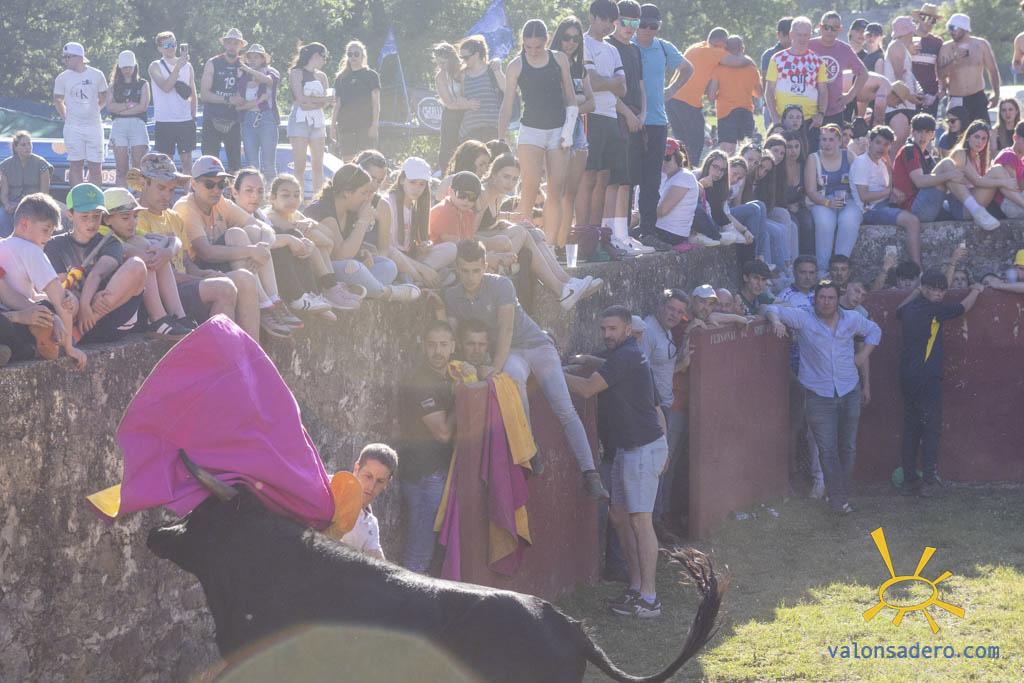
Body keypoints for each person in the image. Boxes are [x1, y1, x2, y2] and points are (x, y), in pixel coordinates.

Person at [438, 240, 610, 499]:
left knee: (564, 407)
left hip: (536, 345)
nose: (470, 277)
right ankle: (530, 447)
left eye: (475, 270)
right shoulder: (452, 295)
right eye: (464, 271)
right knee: (514, 380)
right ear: (457, 268)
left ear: (484, 266)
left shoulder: (501, 285)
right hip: (512, 353)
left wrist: (494, 368)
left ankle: (590, 473)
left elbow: (506, 328)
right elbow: (452, 335)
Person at [564, 305, 667, 618]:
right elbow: (609, 366)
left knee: (640, 521)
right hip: (627, 449)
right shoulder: (626, 354)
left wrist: (550, 371)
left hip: (642, 448)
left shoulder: (627, 355)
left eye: (613, 329)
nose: (607, 334)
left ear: (627, 329)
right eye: (603, 329)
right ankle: (636, 588)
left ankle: (649, 599)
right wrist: (588, 360)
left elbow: (587, 389)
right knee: (620, 516)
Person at [765, 281, 881, 513]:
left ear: (837, 299)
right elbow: (770, 308)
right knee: (827, 448)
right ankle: (839, 499)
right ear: (815, 299)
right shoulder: (803, 318)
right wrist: (776, 321)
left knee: (847, 446)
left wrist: (862, 357)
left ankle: (840, 493)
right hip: (818, 395)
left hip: (848, 390)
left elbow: (875, 331)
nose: (826, 302)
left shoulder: (851, 318)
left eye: (830, 298)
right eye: (822, 297)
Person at [131, 152, 260, 340]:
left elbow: (185, 262)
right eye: (161, 188)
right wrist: (199, 278)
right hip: (162, 297)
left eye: (171, 190)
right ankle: (222, 354)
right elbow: (158, 273)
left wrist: (204, 273)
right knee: (224, 288)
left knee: (244, 278)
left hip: (184, 285)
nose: (167, 195)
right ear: (144, 184)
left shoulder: (173, 217)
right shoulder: (135, 218)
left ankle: (251, 351)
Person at [174, 155, 298, 338]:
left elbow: (264, 228)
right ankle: (265, 306)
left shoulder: (220, 202)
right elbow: (205, 252)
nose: (216, 190)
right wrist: (251, 251)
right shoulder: (186, 207)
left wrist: (262, 247)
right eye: (209, 184)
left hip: (221, 263)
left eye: (221, 184)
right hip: (200, 269)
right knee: (236, 234)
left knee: (253, 232)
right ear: (193, 184)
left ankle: (273, 300)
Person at [896, 268, 984, 497]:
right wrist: (976, 290)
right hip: (927, 377)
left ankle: (909, 479)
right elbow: (963, 307)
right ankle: (928, 480)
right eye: (934, 289)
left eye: (942, 290)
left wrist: (917, 291)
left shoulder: (909, 308)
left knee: (911, 429)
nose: (939, 294)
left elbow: (898, 310)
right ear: (925, 289)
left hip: (908, 377)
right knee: (931, 428)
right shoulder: (935, 309)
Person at [499, 20, 577, 245]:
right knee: (529, 187)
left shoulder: (559, 59)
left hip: (559, 130)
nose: (533, 51)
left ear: (546, 40)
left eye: (538, 46)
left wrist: (568, 131)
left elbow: (571, 97)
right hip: (531, 130)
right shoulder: (516, 65)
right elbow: (507, 105)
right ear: (522, 43)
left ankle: (549, 247)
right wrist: (501, 138)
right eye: (528, 47)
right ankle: (519, 244)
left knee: (555, 190)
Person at [240, 171, 357, 317]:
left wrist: (311, 223)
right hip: (282, 269)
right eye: (285, 195)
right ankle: (327, 287)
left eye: (296, 195)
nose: (292, 200)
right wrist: (316, 239)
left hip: (300, 263)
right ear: (272, 198)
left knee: (312, 244)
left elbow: (329, 237)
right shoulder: (271, 215)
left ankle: (326, 290)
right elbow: (325, 241)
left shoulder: (294, 215)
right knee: (308, 242)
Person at [44, 183, 146, 345]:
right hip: (74, 315)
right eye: (85, 216)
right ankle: (73, 331)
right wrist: (85, 301)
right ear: (70, 214)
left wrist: (87, 304)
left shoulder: (111, 242)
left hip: (110, 315)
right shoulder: (54, 245)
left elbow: (97, 273)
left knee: (137, 265)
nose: (91, 222)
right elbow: (63, 286)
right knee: (65, 297)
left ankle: (79, 332)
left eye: (96, 216)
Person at [302, 164, 412, 301]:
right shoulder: (322, 210)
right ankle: (386, 292)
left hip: (345, 270)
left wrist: (362, 253)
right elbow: (341, 256)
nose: (367, 198)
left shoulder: (350, 209)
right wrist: (363, 221)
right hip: (323, 271)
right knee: (354, 267)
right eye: (363, 193)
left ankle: (356, 289)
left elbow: (349, 249)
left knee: (388, 266)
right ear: (347, 192)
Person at [0, 194, 85, 368]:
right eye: (46, 230)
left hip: (11, 316)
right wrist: (70, 347)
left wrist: (48, 314)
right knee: (56, 305)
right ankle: (40, 345)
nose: (48, 238)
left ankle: (25, 349)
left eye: (51, 232)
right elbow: (59, 298)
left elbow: (10, 294)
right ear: (25, 224)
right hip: (13, 318)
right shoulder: (31, 250)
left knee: (47, 306)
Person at [399, 320, 458, 573]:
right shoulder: (422, 382)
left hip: (436, 473)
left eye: (443, 344)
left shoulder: (448, 377)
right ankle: (405, 597)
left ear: (453, 346)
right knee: (419, 553)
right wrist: (463, 399)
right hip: (424, 476)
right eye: (432, 345)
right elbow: (443, 433)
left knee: (429, 551)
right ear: (424, 346)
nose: (438, 351)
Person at [101, 187, 193, 339]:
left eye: (135, 216)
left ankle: (179, 316)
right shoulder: (102, 233)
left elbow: (174, 240)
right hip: (115, 308)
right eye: (125, 218)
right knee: (147, 249)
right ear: (107, 219)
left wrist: (167, 251)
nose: (132, 223)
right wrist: (160, 250)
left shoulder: (127, 230)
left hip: (134, 299)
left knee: (155, 250)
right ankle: (157, 319)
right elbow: (137, 254)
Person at [631, 4, 685, 240]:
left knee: (652, 180)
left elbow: (687, 68)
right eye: (642, 24)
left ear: (658, 26)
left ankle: (648, 230)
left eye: (652, 26)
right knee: (627, 179)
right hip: (631, 120)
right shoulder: (627, 45)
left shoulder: (663, 47)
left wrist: (671, 90)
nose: (646, 30)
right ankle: (621, 230)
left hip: (657, 121)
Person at [604, 1, 652, 255]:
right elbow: (609, 90)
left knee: (629, 181)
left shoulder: (635, 50)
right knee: (615, 180)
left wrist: (642, 114)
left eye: (636, 22)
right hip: (615, 118)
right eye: (626, 21)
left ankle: (623, 235)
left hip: (635, 119)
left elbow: (641, 86)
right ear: (615, 20)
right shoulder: (608, 46)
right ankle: (610, 235)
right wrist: (627, 114)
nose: (630, 27)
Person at [668, 27, 754, 164]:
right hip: (688, 103)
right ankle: (691, 170)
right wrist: (749, 60)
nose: (726, 49)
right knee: (695, 142)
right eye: (726, 45)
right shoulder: (714, 52)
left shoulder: (696, 47)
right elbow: (739, 62)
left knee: (681, 142)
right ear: (721, 42)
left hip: (671, 100)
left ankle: (678, 168)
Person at [776, 255, 825, 497]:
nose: (807, 277)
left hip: (818, 367)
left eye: (811, 272)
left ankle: (818, 477)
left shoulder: (823, 296)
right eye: (803, 272)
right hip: (795, 367)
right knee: (794, 424)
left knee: (817, 425)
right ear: (795, 273)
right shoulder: (785, 296)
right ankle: (791, 474)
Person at [575, 1, 625, 234]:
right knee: (588, 177)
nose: (608, 25)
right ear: (592, 17)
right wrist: (611, 82)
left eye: (612, 21)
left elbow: (623, 88)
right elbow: (592, 82)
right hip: (590, 115)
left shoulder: (613, 50)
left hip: (611, 117)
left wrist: (606, 82)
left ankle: (595, 234)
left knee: (603, 178)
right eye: (603, 19)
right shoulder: (582, 43)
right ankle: (581, 231)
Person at [551, 16, 596, 248]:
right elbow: (556, 101)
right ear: (559, 38)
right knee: (555, 193)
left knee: (570, 194)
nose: (570, 43)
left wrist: (573, 102)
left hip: (578, 134)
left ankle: (561, 244)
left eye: (575, 39)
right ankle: (550, 243)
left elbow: (592, 103)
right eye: (566, 37)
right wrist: (577, 100)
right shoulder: (549, 65)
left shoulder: (581, 69)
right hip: (554, 131)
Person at [379, 157, 457, 288]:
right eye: (413, 182)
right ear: (402, 180)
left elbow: (409, 248)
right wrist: (423, 269)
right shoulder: (387, 202)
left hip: (410, 260)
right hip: (392, 258)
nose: (417, 188)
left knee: (451, 248)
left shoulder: (416, 207)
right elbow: (388, 249)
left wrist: (423, 248)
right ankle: (422, 279)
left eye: (422, 184)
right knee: (394, 256)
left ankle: (416, 278)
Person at [850, 126, 922, 265]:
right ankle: (917, 266)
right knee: (912, 221)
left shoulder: (882, 162)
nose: (881, 148)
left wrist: (893, 193)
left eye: (886, 144)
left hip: (885, 203)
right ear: (870, 142)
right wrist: (890, 192)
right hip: (871, 209)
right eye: (878, 142)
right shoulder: (861, 162)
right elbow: (864, 196)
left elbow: (889, 186)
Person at [805, 124, 862, 277]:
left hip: (848, 199)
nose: (827, 144)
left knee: (849, 221)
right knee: (825, 223)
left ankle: (840, 268)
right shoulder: (813, 158)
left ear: (839, 141)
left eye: (831, 140)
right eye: (823, 140)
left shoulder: (849, 156)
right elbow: (810, 191)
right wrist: (827, 203)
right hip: (822, 200)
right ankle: (823, 270)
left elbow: (860, 180)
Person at [53, 42, 108, 187]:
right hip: (73, 127)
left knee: (95, 166)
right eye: (64, 57)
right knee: (75, 164)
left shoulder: (97, 74)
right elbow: (58, 99)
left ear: (79, 57)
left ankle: (94, 198)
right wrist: (66, 117)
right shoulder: (62, 77)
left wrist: (94, 110)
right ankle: (77, 198)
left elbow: (104, 97)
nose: (65, 60)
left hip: (94, 126)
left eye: (68, 57)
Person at [945, 120, 1018, 229]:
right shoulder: (960, 153)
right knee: (997, 170)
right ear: (968, 137)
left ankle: (1017, 205)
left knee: (999, 170)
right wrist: (1004, 182)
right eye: (977, 137)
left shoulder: (979, 158)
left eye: (984, 139)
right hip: (962, 207)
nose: (980, 142)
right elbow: (977, 181)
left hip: (976, 206)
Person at [937, 14, 1000, 128]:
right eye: (949, 28)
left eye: (953, 28)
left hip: (977, 97)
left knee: (982, 131)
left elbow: (993, 70)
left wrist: (996, 93)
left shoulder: (981, 45)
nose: (950, 32)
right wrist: (954, 61)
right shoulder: (946, 48)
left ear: (964, 28)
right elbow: (940, 75)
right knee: (956, 135)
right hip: (956, 98)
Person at [765, 17, 829, 129]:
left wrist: (821, 114)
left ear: (810, 36)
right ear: (791, 35)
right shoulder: (777, 59)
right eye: (799, 34)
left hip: (809, 120)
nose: (802, 38)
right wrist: (775, 117)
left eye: (805, 35)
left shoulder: (818, 61)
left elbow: (823, 91)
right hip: (784, 119)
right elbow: (769, 91)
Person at [286, 42, 332, 195]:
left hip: (318, 121)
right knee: (299, 166)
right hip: (299, 120)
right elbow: (300, 98)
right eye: (324, 57)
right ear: (316, 55)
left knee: (318, 165)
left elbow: (328, 101)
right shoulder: (296, 72)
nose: (325, 60)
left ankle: (318, 199)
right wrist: (319, 101)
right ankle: (297, 200)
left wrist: (312, 103)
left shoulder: (322, 76)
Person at [148, 31, 197, 173]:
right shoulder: (155, 66)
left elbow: (192, 93)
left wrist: (193, 115)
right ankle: (166, 187)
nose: (171, 48)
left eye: (173, 44)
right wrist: (178, 67)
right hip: (165, 120)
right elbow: (166, 87)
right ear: (159, 48)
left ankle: (188, 187)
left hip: (185, 120)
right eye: (167, 45)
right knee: (165, 163)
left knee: (187, 161)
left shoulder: (188, 66)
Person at [808, 11, 868, 127]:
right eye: (826, 27)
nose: (830, 31)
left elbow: (863, 73)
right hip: (810, 110)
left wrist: (850, 96)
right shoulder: (808, 45)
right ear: (820, 27)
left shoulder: (844, 49)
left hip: (835, 110)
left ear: (840, 29)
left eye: (834, 28)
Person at [340, 443, 398, 560]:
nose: (371, 487)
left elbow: (378, 563)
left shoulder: (370, 525)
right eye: (368, 476)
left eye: (380, 481)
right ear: (356, 469)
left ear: (387, 483)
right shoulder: (326, 489)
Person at [200, 29, 248, 171]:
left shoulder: (245, 65)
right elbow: (205, 95)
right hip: (212, 118)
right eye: (229, 42)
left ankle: (234, 187)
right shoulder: (213, 62)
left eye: (236, 43)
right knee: (208, 164)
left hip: (234, 121)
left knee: (235, 166)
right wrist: (229, 99)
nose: (232, 46)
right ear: (224, 44)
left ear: (241, 46)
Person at [707, 36, 761, 155]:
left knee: (727, 153)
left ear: (726, 49)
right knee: (746, 151)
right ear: (742, 48)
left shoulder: (719, 68)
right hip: (746, 112)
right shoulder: (752, 68)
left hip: (725, 113)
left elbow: (711, 96)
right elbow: (759, 93)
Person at [235, 44, 280, 181]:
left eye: (256, 57)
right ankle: (255, 193)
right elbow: (239, 106)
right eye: (250, 57)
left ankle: (270, 193)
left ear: (263, 59)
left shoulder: (271, 71)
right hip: (248, 120)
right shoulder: (243, 77)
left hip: (267, 118)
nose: (253, 60)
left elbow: (268, 81)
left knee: (269, 165)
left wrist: (248, 69)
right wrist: (259, 101)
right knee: (252, 166)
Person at [332, 40, 381, 161]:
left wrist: (374, 125)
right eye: (350, 54)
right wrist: (332, 126)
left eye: (356, 54)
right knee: (348, 162)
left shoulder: (371, 75)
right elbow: (337, 104)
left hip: (366, 125)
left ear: (363, 56)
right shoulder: (340, 77)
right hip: (345, 125)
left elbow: (376, 103)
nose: (353, 56)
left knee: (367, 161)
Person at [107, 51, 151, 187]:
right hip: (118, 126)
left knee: (138, 168)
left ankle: (138, 195)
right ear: (119, 68)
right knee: (121, 169)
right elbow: (110, 107)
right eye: (124, 67)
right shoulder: (113, 86)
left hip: (138, 125)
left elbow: (143, 107)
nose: (127, 70)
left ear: (135, 67)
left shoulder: (143, 84)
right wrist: (129, 105)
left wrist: (121, 110)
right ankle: (121, 196)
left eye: (130, 67)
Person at [0, 132, 52, 238]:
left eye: (29, 144)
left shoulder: (42, 164)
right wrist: (7, 205)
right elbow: (4, 192)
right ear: (16, 147)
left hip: (35, 203)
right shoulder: (5, 166)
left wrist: (30, 205)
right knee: (2, 215)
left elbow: (44, 194)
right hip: (13, 203)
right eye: (23, 145)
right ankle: (6, 243)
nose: (27, 147)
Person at [882, 17, 923, 149]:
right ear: (908, 32)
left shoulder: (901, 47)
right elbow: (898, 82)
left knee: (902, 146)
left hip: (904, 104)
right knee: (896, 146)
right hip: (898, 105)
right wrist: (912, 98)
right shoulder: (897, 46)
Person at [456, 36, 504, 145]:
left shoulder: (492, 69)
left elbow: (507, 89)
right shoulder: (463, 74)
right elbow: (457, 99)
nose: (463, 60)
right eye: (461, 57)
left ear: (477, 55)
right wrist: (467, 104)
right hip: (469, 131)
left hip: (493, 128)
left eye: (466, 57)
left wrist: (498, 69)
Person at [654, 138, 701, 246]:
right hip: (663, 230)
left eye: (667, 158)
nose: (663, 162)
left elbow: (662, 211)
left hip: (671, 234)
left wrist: (641, 214)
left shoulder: (684, 177)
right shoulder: (667, 176)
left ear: (678, 157)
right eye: (659, 157)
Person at [433, 43, 467, 174]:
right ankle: (446, 172)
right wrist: (465, 104)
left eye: (443, 63)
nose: (441, 66)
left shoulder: (465, 70)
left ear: (452, 59)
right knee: (448, 148)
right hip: (451, 115)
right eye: (438, 63)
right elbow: (449, 103)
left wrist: (466, 104)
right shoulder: (440, 77)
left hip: (468, 113)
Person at [911, 4, 944, 115]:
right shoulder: (906, 37)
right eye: (926, 18)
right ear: (919, 18)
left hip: (930, 96)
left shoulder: (937, 42)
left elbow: (941, 68)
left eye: (933, 20)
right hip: (909, 94)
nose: (929, 23)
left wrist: (940, 91)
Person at [989, 120, 1024, 219]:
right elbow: (1014, 188)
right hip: (1007, 204)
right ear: (1015, 138)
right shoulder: (1008, 155)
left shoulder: (1021, 159)